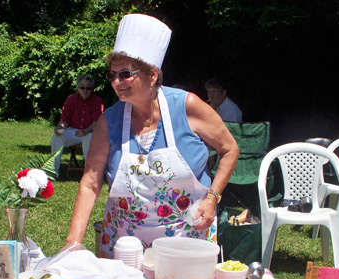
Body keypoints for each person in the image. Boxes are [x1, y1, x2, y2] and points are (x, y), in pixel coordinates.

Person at [64, 14, 239, 258]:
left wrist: (212, 199)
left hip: (185, 239)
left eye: (125, 73)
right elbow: (91, 183)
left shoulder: (186, 106)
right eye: (112, 75)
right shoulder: (110, 120)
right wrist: (72, 243)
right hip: (123, 244)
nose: (116, 81)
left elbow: (230, 149)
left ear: (153, 74)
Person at [51, 75, 104, 176]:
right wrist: (60, 128)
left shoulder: (97, 101)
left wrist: (85, 131)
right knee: (56, 136)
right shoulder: (71, 99)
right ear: (78, 88)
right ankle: (53, 171)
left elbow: (97, 123)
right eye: (82, 87)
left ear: (92, 89)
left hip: (90, 132)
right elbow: (64, 120)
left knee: (89, 137)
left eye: (88, 87)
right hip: (74, 132)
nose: (85, 90)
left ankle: (89, 172)